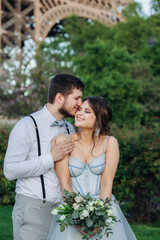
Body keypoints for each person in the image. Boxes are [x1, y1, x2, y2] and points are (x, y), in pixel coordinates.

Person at [3, 73, 85, 240]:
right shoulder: (26, 125)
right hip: (32, 210)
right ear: (60, 97)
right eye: (76, 98)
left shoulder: (70, 128)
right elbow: (10, 170)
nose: (80, 104)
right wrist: (50, 157)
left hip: (62, 213)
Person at [47, 96, 137, 240]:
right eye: (80, 109)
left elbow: (107, 183)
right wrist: (76, 218)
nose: (79, 113)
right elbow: (65, 183)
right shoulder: (64, 140)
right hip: (72, 209)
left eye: (87, 111)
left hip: (104, 207)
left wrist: (99, 219)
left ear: (99, 118)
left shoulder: (110, 142)